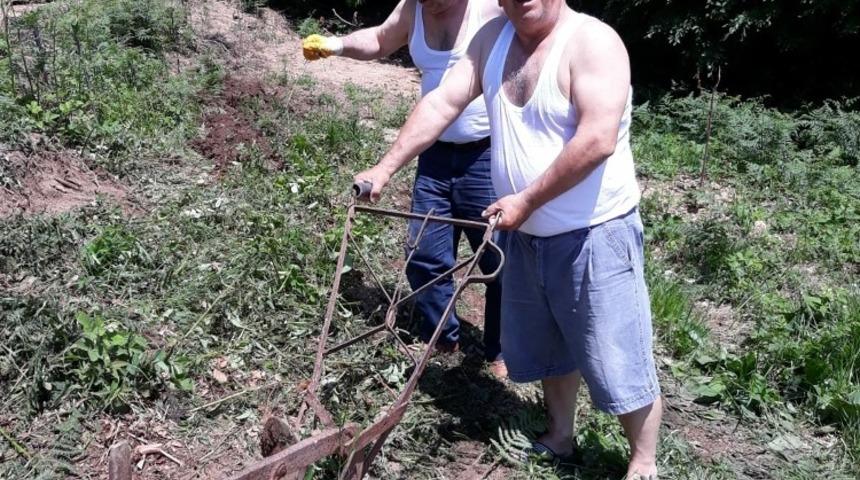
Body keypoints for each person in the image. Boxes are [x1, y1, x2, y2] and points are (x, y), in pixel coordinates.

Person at [353, 0, 662, 477]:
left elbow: (598, 137)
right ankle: (560, 436)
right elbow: (441, 102)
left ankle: (643, 463)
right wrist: (384, 167)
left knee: (615, 354)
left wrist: (526, 200)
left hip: (593, 233)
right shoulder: (492, 38)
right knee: (551, 346)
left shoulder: (591, 42)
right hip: (526, 235)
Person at [302, 0, 508, 377]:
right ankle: (443, 338)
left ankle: (500, 350)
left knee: (497, 259)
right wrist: (337, 45)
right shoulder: (412, 9)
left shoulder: (493, 9)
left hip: (485, 154)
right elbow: (381, 39)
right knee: (425, 254)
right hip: (432, 154)